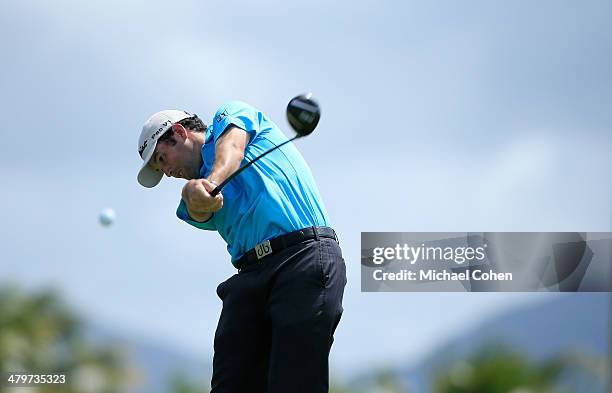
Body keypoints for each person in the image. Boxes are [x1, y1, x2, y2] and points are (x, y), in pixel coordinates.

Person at [136, 100, 347, 393]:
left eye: (161, 158)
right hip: (251, 277)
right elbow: (197, 207)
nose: (166, 171)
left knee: (294, 381)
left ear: (179, 132)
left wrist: (211, 182)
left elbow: (232, 150)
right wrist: (196, 192)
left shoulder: (230, 115)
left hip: (302, 258)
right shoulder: (191, 195)